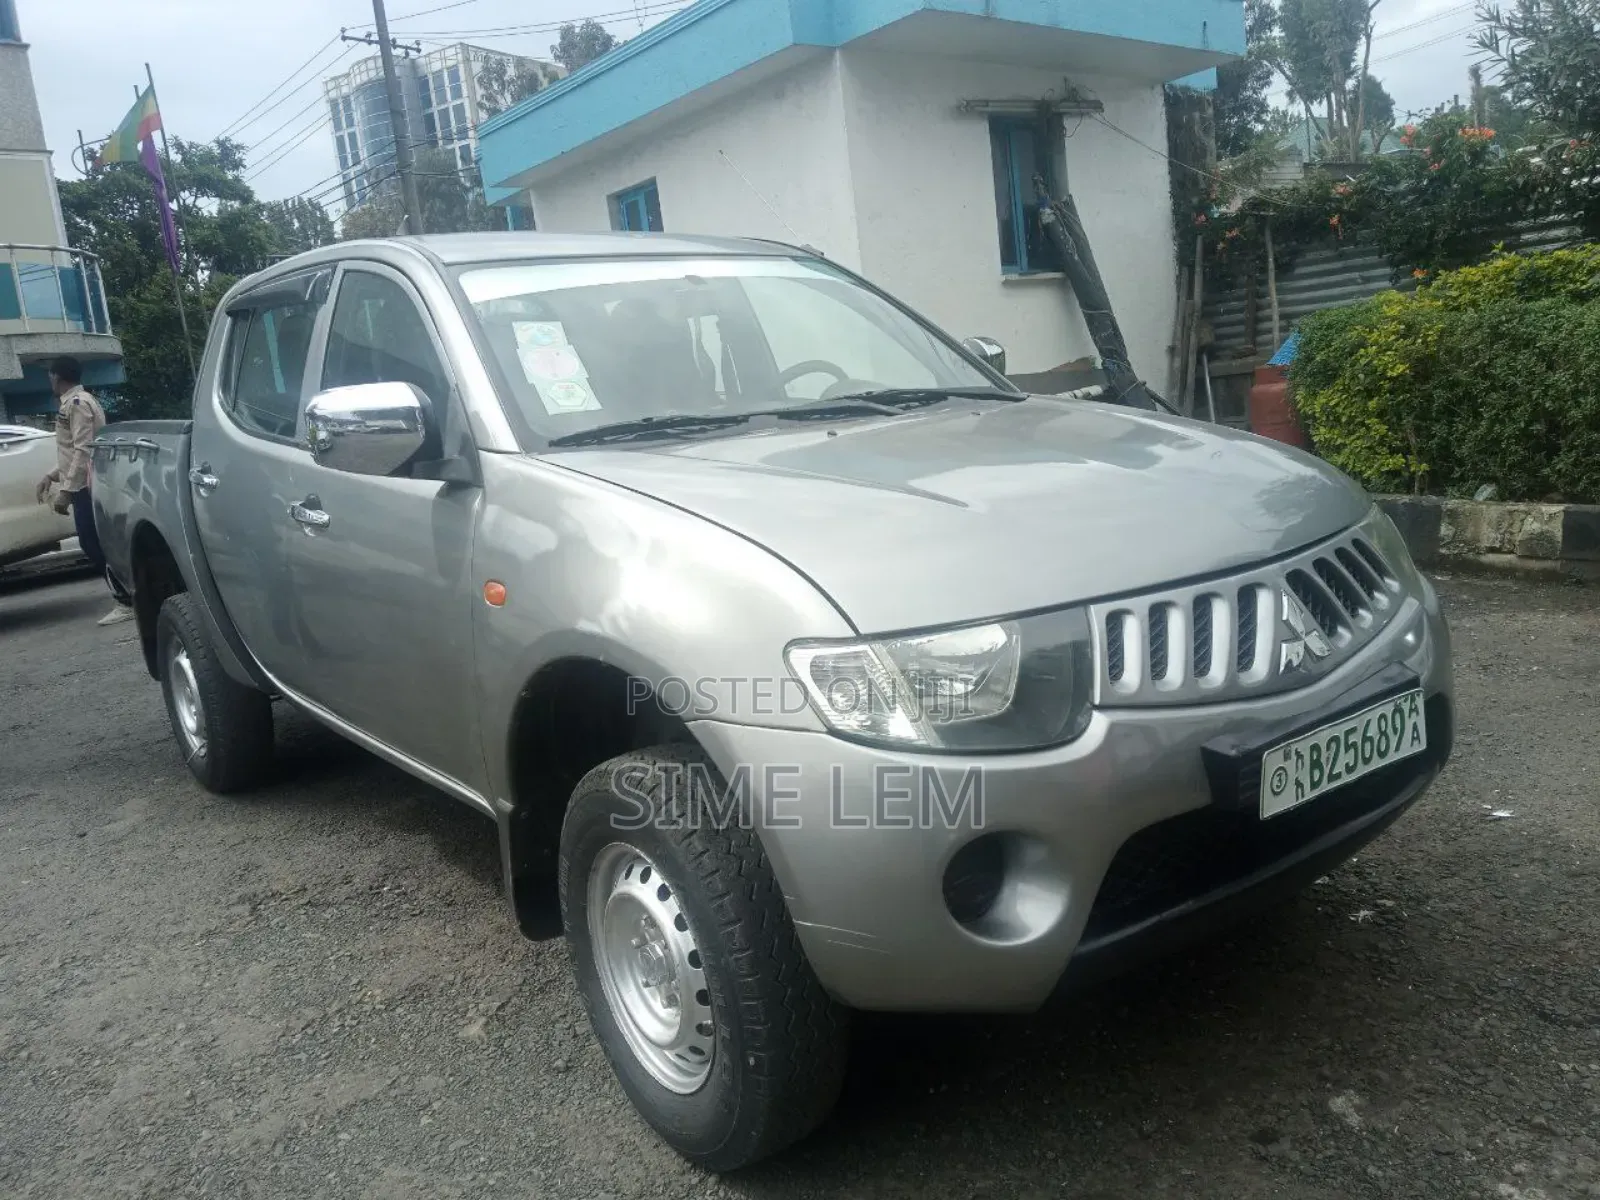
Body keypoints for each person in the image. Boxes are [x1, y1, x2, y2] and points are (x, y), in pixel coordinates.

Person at [34, 356, 134, 626]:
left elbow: (84, 448)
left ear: (57, 376)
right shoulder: (75, 403)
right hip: (85, 483)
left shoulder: (77, 404)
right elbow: (71, 451)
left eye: (50, 376)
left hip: (87, 485)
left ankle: (125, 599)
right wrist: (51, 476)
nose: (50, 382)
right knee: (95, 543)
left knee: (94, 544)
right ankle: (127, 596)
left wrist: (66, 491)